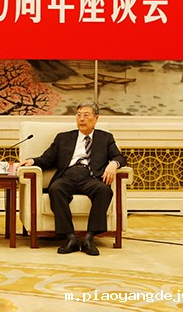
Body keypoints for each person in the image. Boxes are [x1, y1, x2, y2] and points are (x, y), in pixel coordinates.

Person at [21, 102, 126, 256]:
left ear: (96, 118)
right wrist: (32, 161)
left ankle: (89, 238)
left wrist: (113, 164)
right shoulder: (63, 138)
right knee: (55, 189)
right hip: (67, 175)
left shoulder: (105, 138)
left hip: (90, 177)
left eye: (86, 115)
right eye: (78, 115)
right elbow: (47, 158)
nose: (81, 119)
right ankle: (70, 238)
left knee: (104, 191)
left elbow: (119, 157)